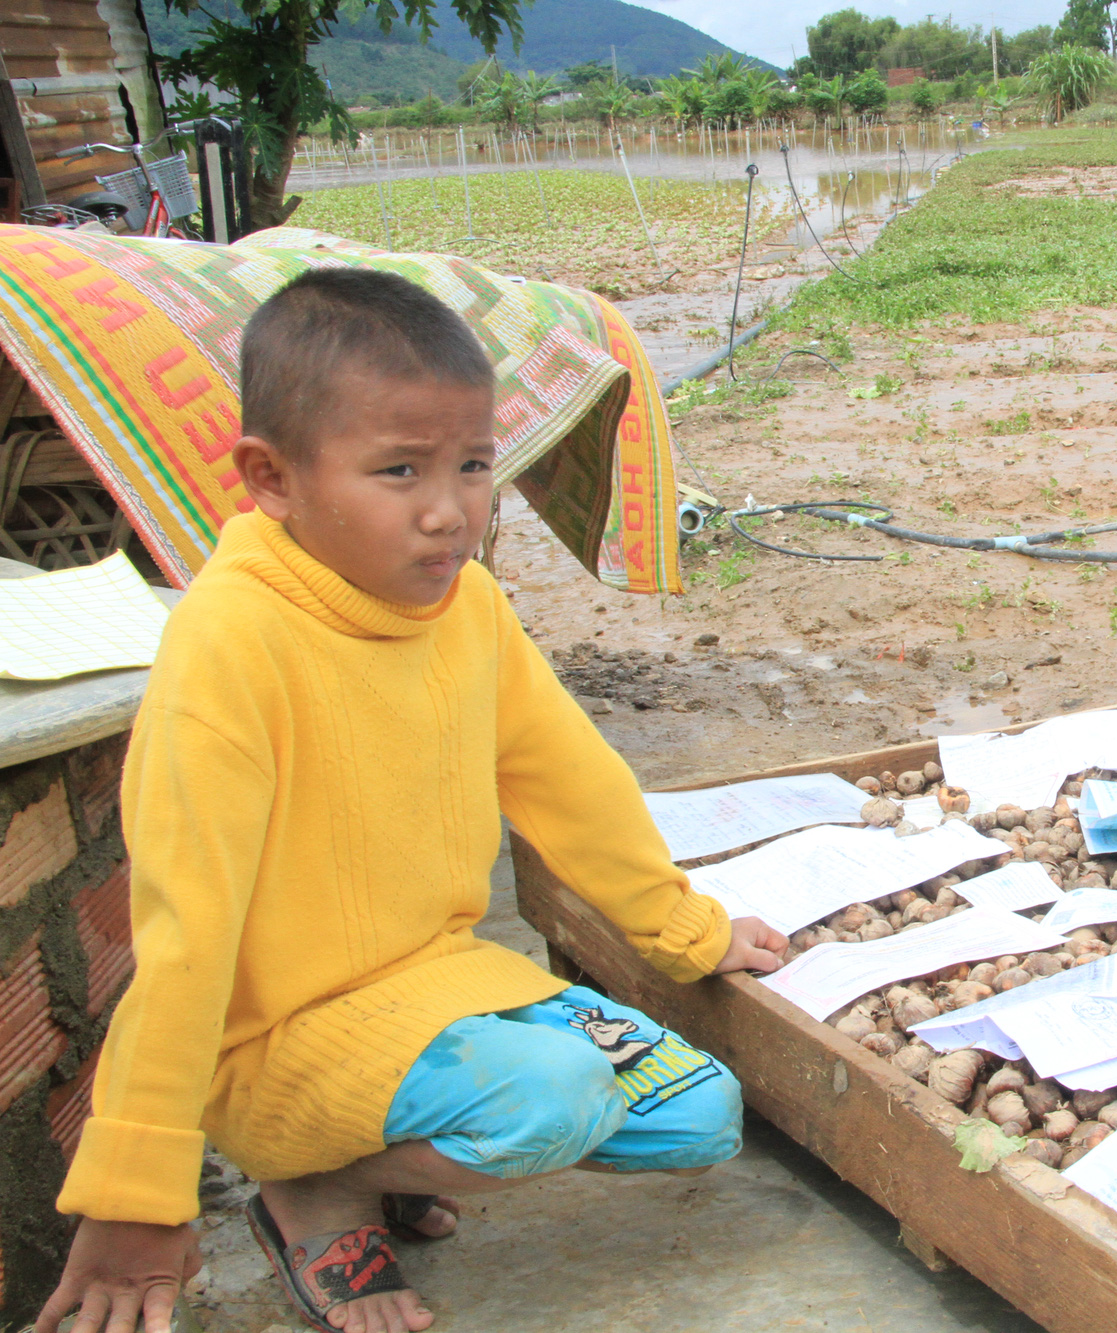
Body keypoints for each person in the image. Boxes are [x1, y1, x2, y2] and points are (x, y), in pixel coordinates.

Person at [35, 268, 784, 1333]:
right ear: (272, 478)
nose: (450, 513)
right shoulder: (230, 646)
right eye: (398, 471)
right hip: (282, 1038)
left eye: (474, 465)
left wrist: (682, 927)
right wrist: (134, 1190)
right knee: (553, 1099)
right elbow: (185, 931)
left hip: (436, 988)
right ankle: (315, 1190)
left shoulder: (467, 606)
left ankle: (379, 1155)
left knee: (698, 1111)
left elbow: (569, 780)